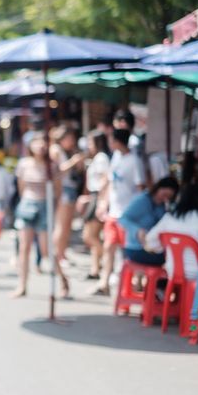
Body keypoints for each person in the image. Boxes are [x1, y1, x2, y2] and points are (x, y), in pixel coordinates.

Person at [12, 135, 69, 298]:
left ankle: (63, 279)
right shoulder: (24, 164)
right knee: (24, 247)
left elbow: (58, 191)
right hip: (27, 205)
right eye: (36, 142)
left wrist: (55, 210)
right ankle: (22, 285)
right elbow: (21, 187)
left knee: (46, 250)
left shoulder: (52, 166)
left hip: (45, 206)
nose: (40, 146)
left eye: (42, 142)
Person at [92, 128, 145, 296]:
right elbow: (110, 181)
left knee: (127, 251)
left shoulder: (135, 161)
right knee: (109, 246)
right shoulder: (115, 157)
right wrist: (103, 203)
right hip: (113, 212)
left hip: (128, 215)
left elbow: (140, 188)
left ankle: (135, 283)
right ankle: (104, 282)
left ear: (117, 141)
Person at [119, 177, 180, 266]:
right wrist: (137, 231)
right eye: (164, 194)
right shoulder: (142, 200)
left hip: (153, 247)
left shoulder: (162, 206)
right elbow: (123, 219)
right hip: (136, 248)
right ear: (159, 188)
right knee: (171, 259)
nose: (165, 198)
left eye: (169, 197)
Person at [50, 126, 84, 267]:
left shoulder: (64, 150)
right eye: (69, 138)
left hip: (69, 188)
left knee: (66, 225)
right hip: (63, 189)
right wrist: (74, 161)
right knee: (61, 225)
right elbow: (57, 170)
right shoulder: (55, 149)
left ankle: (62, 254)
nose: (71, 141)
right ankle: (57, 255)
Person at [79, 131, 110, 280]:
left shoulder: (102, 158)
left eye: (91, 142)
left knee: (89, 236)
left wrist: (101, 201)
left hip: (99, 197)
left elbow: (105, 180)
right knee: (94, 236)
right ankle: (95, 269)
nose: (89, 146)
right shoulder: (97, 158)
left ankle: (107, 261)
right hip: (94, 196)